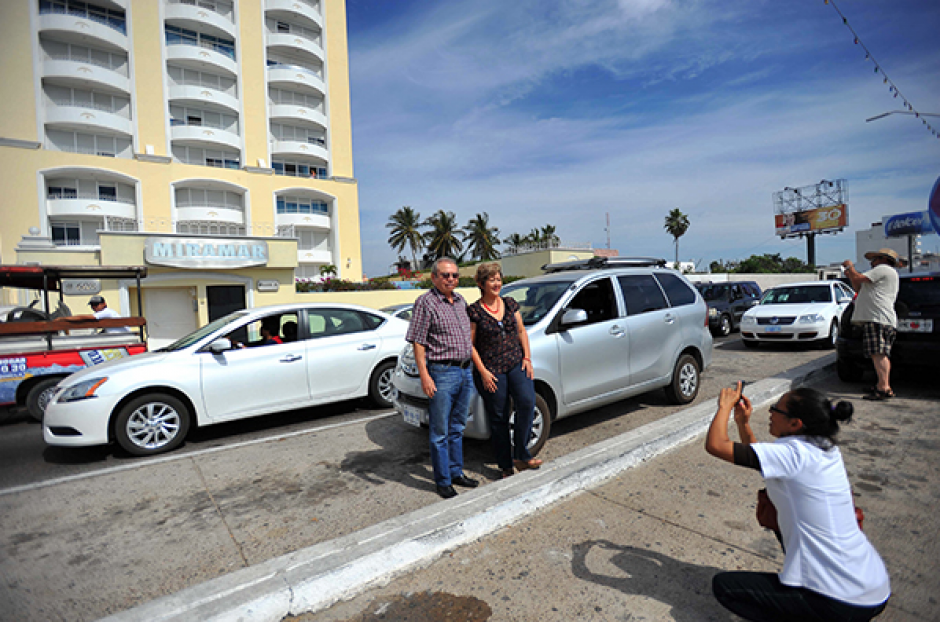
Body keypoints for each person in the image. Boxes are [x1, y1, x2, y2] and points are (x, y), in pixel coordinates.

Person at [705, 382, 891, 622]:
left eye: (776, 409)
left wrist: (724, 407)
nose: (770, 412)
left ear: (795, 424)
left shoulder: (793, 454)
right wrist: (742, 423)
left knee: (726, 587)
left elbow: (716, 445)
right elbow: (762, 457)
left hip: (844, 602)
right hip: (873, 587)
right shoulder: (823, 448)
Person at [406, 257, 479, 499]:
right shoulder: (426, 302)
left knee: (458, 426)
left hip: (464, 371)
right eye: (446, 275)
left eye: (455, 275)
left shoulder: (460, 301)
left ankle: (456, 472)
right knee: (440, 431)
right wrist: (425, 375)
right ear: (434, 277)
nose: (451, 279)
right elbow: (418, 341)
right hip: (442, 372)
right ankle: (443, 480)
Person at [467, 262, 542, 479]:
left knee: (527, 402)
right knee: (499, 417)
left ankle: (521, 453)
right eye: (492, 279)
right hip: (491, 370)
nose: (497, 283)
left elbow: (521, 331)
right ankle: (505, 465)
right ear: (481, 284)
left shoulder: (510, 304)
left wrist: (527, 357)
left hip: (515, 363)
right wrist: (482, 371)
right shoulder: (474, 311)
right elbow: (470, 344)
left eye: (499, 279)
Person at [842, 248, 905, 400]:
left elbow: (858, 278)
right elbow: (858, 286)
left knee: (879, 353)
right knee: (878, 353)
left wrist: (850, 267)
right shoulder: (883, 274)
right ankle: (881, 385)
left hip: (878, 318)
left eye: (874, 259)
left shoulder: (882, 269)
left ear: (883, 259)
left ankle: (883, 388)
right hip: (879, 318)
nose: (872, 262)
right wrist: (851, 275)